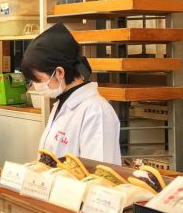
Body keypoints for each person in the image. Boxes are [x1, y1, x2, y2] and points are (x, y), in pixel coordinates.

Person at [21, 23, 122, 164]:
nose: (37, 87)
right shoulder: (62, 103)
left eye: (40, 80)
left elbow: (98, 174)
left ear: (60, 72)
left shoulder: (96, 111)